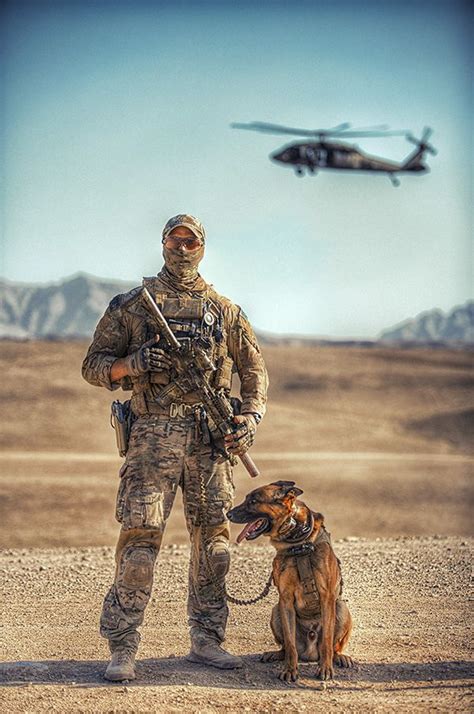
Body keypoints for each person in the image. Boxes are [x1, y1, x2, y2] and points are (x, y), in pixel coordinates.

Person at [82, 214, 268, 681]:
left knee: (214, 544)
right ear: (163, 243)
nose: (182, 248)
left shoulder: (223, 310)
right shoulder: (132, 307)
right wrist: (132, 363)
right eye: (174, 239)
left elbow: (255, 372)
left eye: (191, 241)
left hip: (210, 440)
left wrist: (249, 418)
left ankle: (207, 640)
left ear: (202, 248)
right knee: (140, 543)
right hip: (152, 439)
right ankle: (123, 647)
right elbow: (93, 365)